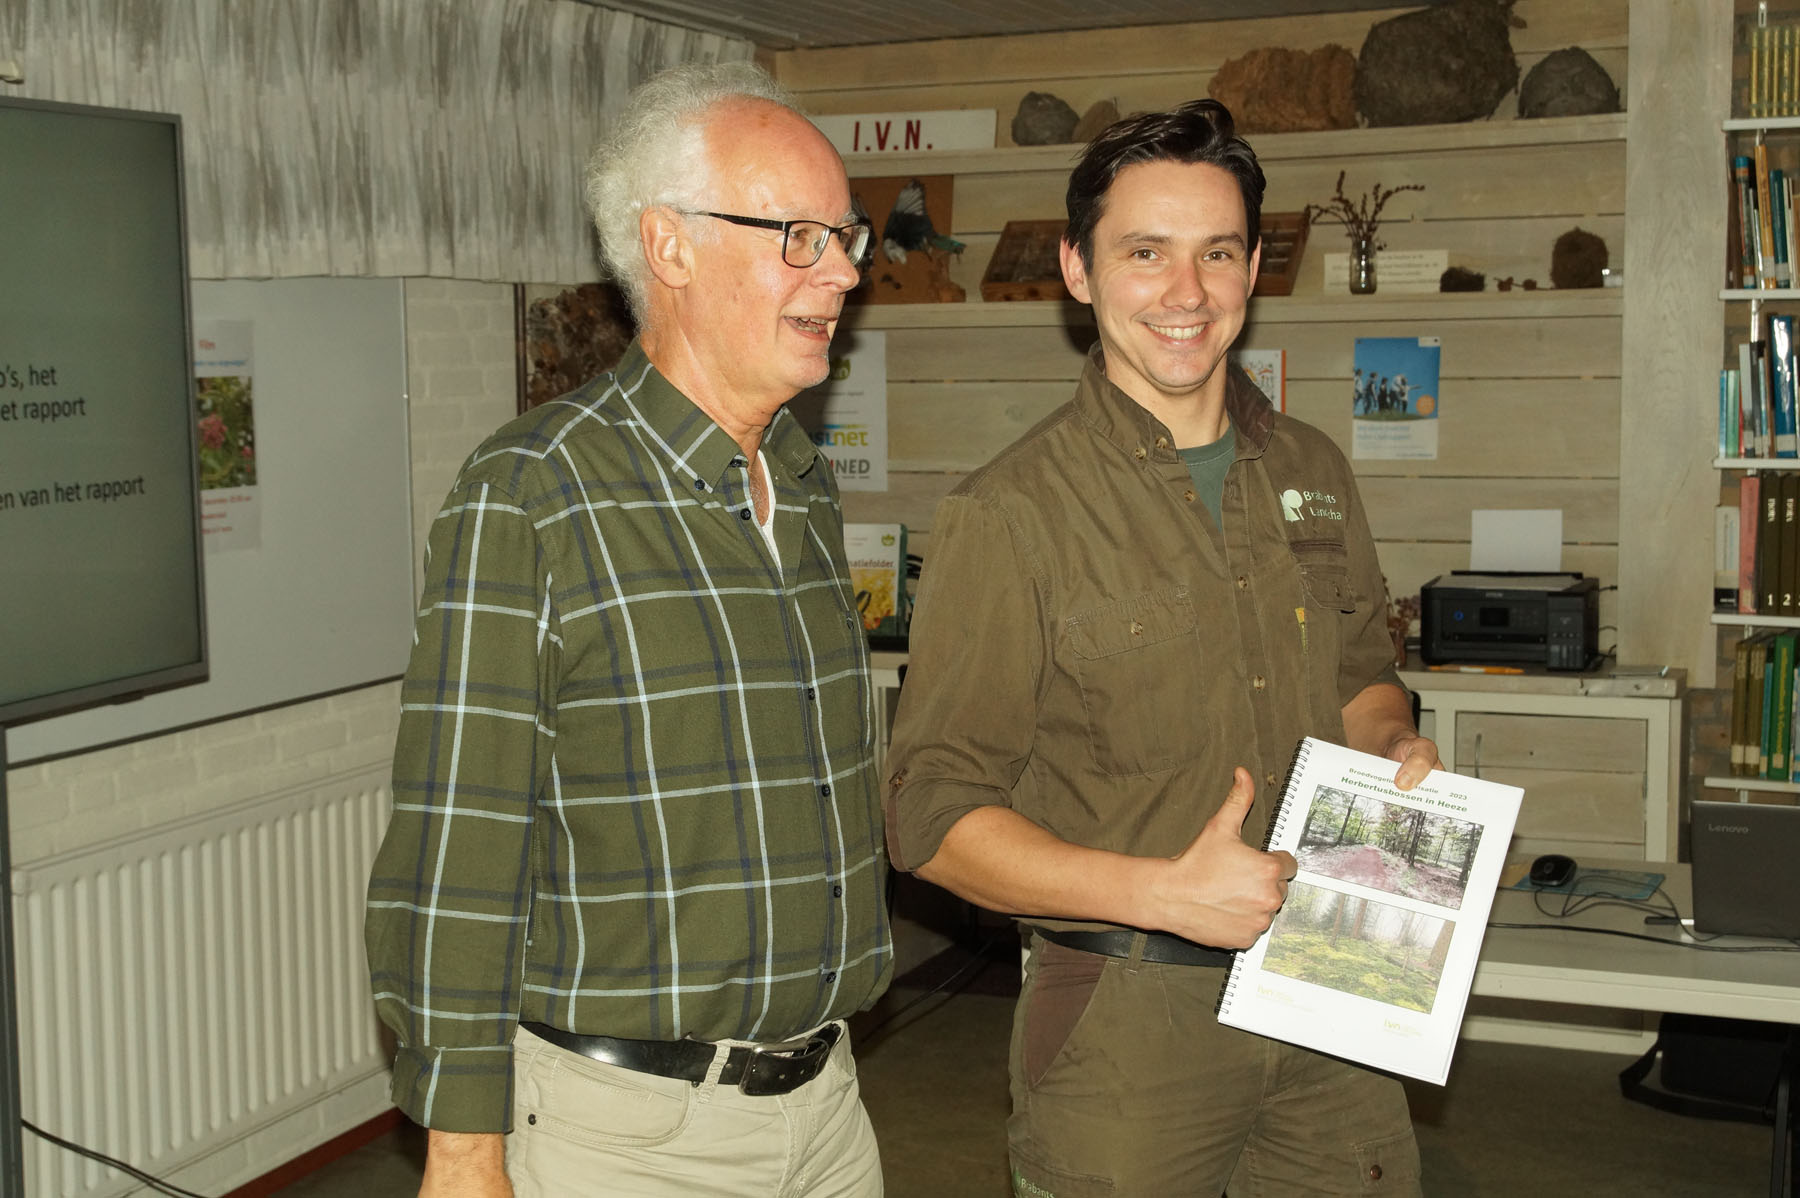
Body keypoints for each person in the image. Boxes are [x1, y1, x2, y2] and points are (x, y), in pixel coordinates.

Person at [883, 98, 1440, 1197]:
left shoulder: (1315, 469)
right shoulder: (1008, 513)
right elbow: (928, 817)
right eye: (1146, 253)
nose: (1187, 293)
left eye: (1217, 253)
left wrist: (1393, 742)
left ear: (1253, 270)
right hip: (1127, 1026)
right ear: (1077, 270)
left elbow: (1360, 674)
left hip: (1339, 979)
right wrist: (1160, 894)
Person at [365, 62, 892, 1198]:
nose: (845, 269)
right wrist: (463, 1151)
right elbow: (460, 848)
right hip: (629, 1142)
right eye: (800, 237)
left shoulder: (801, 484)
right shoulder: (532, 493)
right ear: (670, 247)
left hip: (829, 1111)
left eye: (845, 235)